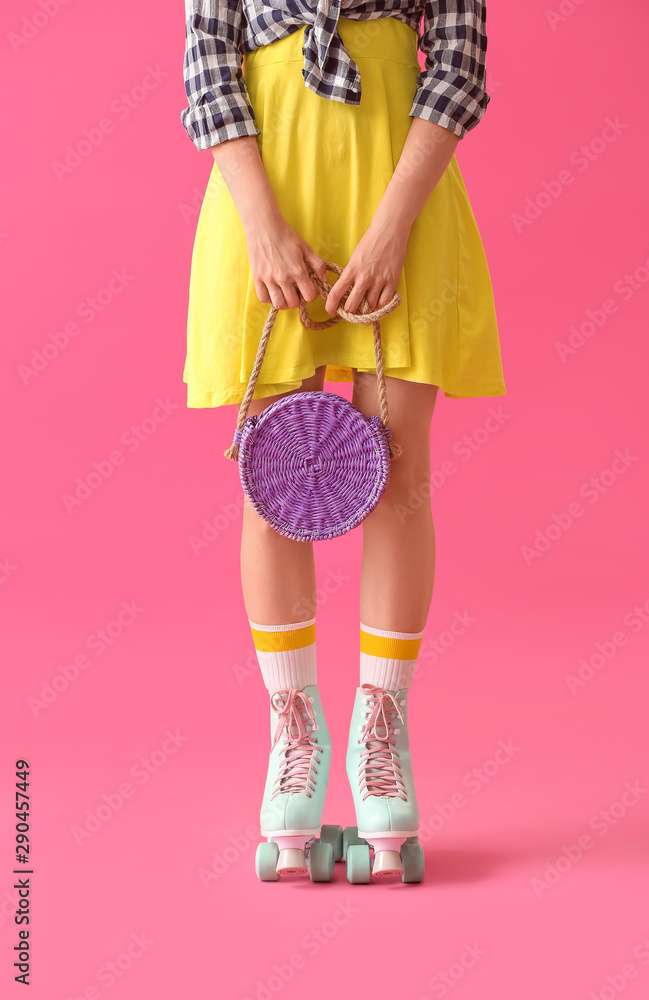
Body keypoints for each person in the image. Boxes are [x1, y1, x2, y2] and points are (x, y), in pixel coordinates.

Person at [180, 0, 506, 883]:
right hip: (266, 203)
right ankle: (292, 735)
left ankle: (380, 734)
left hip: (398, 194)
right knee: (276, 480)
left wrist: (394, 226)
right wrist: (260, 225)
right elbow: (208, 59)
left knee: (397, 475)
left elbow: (458, 65)